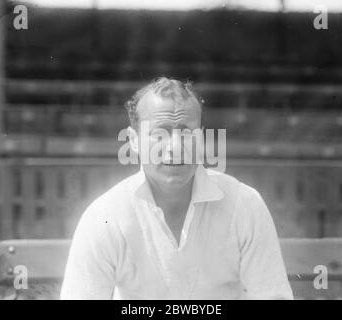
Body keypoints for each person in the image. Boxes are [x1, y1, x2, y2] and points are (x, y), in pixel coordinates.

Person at [60, 77, 293, 300]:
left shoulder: (244, 204)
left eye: (186, 132)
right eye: (159, 134)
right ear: (133, 140)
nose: (175, 147)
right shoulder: (105, 216)